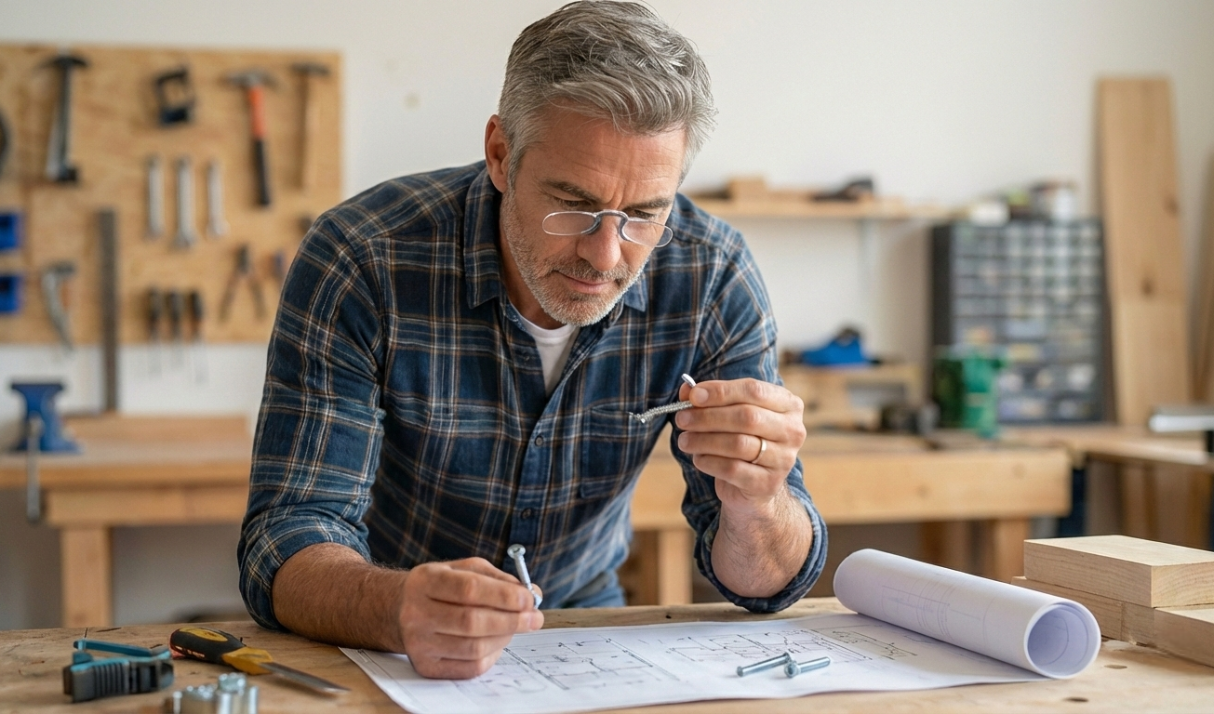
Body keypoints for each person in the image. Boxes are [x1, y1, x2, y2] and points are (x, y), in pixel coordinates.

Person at [238, 0, 828, 680]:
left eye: (642, 214)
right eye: (573, 205)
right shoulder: (364, 258)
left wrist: (760, 502)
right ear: (500, 154)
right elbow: (284, 537)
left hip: (584, 630)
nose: (605, 255)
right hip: (386, 637)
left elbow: (769, 585)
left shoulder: (713, 274)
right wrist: (397, 606)